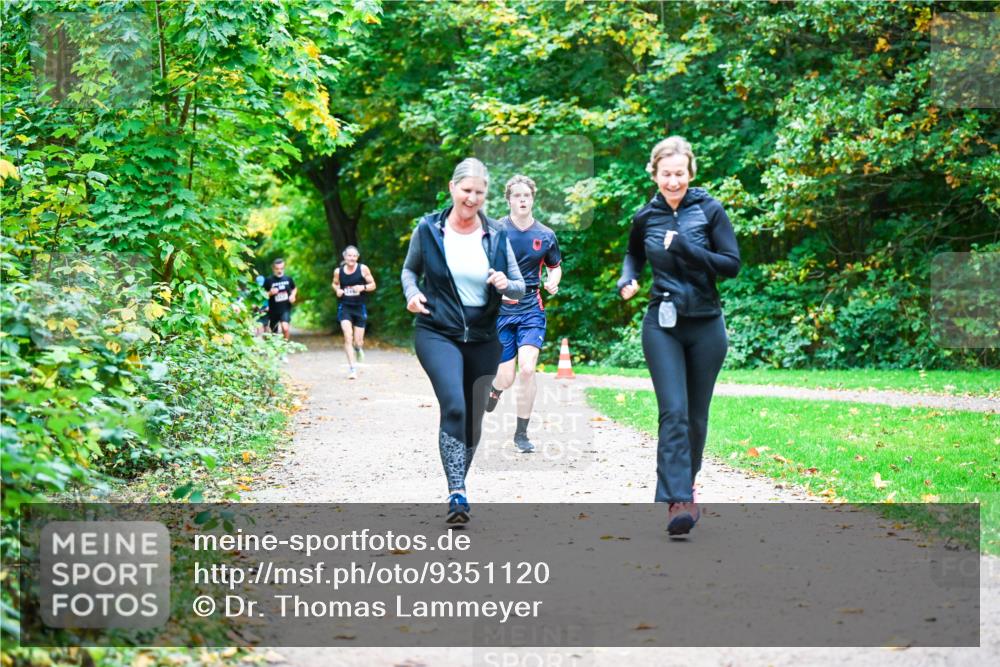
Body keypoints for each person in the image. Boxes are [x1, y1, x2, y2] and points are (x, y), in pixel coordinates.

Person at [617, 136, 740, 536]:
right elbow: (633, 253)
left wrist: (689, 249)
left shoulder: (710, 210)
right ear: (654, 174)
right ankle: (677, 502)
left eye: (680, 174)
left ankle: (686, 484)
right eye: (666, 174)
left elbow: (731, 265)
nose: (673, 182)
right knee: (673, 411)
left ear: (691, 173)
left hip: (706, 324)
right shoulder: (645, 217)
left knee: (696, 418)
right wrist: (628, 277)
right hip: (662, 324)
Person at [401, 157, 525, 524]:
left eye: (479, 193)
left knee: (473, 419)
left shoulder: (498, 234)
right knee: (454, 405)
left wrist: (506, 284)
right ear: (453, 189)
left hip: (485, 336)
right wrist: (411, 293)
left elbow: (519, 285)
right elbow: (411, 269)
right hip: (437, 330)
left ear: (486, 195)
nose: (472, 198)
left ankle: (460, 484)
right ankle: (457, 492)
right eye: (466, 190)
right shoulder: (429, 229)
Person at [484, 175, 563, 453]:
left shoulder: (545, 235)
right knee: (506, 377)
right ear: (508, 200)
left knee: (528, 369)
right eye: (516, 196)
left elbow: (554, 266)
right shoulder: (494, 230)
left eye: (526, 196)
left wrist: (554, 280)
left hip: (531, 308)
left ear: (532, 199)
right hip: (501, 311)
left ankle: (521, 434)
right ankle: (495, 389)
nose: (522, 200)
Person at [332, 245, 376, 379]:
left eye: (354, 256)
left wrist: (362, 287)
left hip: (359, 307)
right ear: (344, 257)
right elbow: (334, 283)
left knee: (358, 341)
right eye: (349, 255)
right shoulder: (338, 271)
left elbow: (373, 285)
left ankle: (358, 348)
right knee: (347, 336)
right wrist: (337, 290)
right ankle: (352, 369)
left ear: (357, 257)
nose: (351, 258)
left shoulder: (363, 269)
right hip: (345, 307)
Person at [263, 258, 297, 341]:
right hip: (273, 310)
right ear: (273, 269)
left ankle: (285, 347)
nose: (279, 271)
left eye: (281, 268)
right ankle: (276, 351)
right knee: (274, 332)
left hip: (285, 309)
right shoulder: (268, 280)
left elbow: (294, 288)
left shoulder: (288, 279)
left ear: (284, 268)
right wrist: (270, 293)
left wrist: (293, 295)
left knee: (285, 328)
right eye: (277, 269)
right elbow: (262, 295)